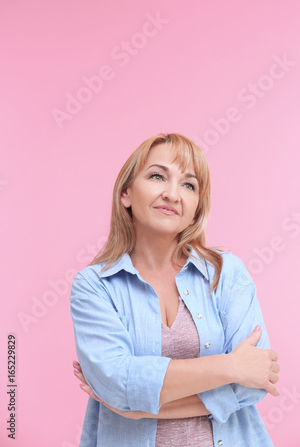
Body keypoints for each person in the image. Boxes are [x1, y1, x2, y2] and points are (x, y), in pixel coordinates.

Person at [70, 132, 280, 447]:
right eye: (158, 176)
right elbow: (117, 383)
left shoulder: (226, 272)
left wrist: (140, 410)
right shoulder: (94, 286)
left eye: (188, 185)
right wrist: (230, 367)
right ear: (126, 193)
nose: (172, 194)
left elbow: (254, 383)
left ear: (196, 208)